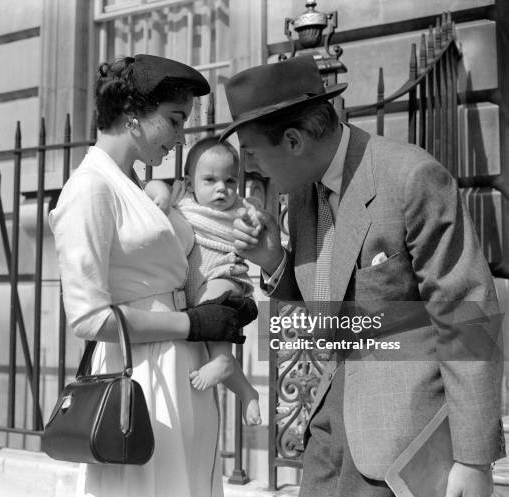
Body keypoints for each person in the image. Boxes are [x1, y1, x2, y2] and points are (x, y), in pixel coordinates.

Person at [223, 55, 505, 497]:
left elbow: (466, 315)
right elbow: (326, 315)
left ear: (294, 141)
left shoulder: (410, 178)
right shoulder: (301, 195)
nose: (251, 169)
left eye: (252, 152)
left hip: (403, 442)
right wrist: (272, 259)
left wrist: (473, 458)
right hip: (327, 430)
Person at [49, 54, 257, 497]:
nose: (182, 136)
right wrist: (191, 323)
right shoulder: (89, 189)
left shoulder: (134, 185)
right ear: (132, 116)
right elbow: (88, 319)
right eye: (174, 119)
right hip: (143, 377)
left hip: (182, 368)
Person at [145, 136, 262, 425]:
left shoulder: (239, 210)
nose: (222, 188)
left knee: (214, 313)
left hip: (225, 279)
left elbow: (257, 215)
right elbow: (149, 186)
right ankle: (247, 392)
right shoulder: (181, 199)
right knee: (209, 335)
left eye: (230, 181)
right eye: (210, 179)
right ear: (189, 182)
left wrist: (254, 219)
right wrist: (159, 192)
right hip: (194, 290)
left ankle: (223, 360)